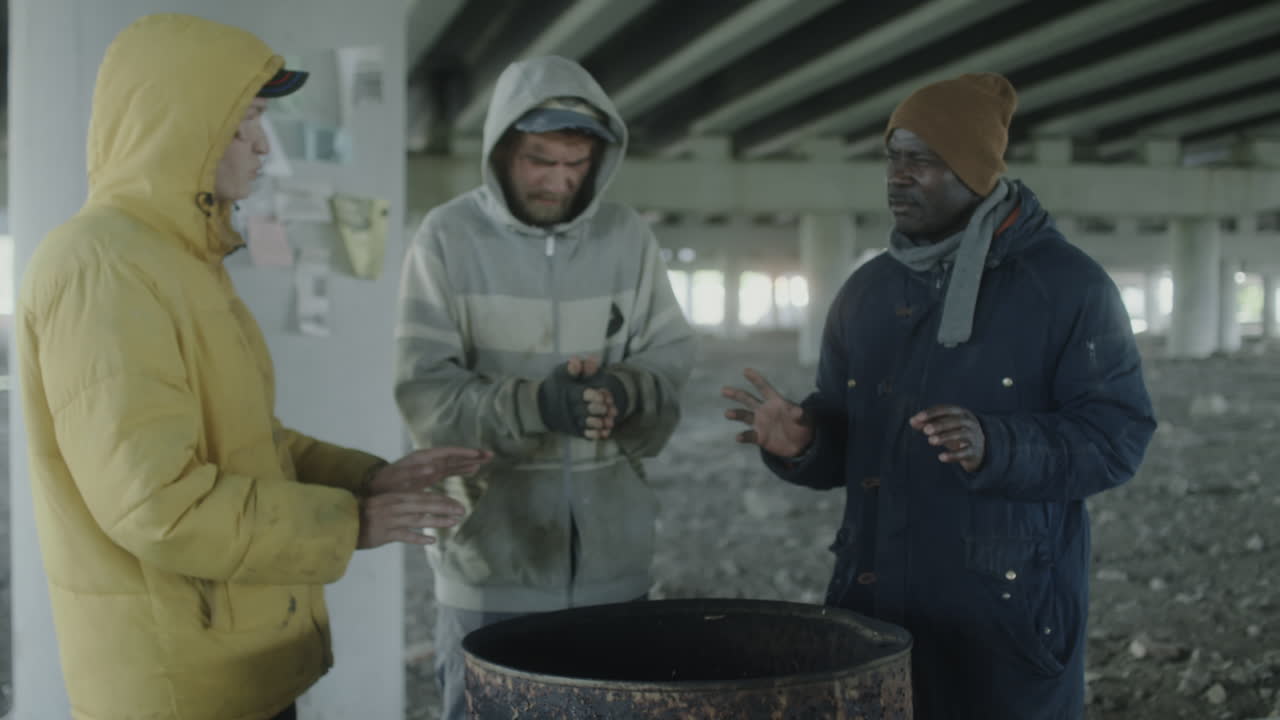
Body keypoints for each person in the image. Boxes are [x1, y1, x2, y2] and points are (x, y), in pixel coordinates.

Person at [17, 14, 490, 720]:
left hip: (226, 666)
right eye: (246, 122)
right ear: (182, 124)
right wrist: (346, 523)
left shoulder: (178, 260)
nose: (264, 146)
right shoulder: (102, 267)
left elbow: (246, 443)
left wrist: (368, 478)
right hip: (178, 686)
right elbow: (157, 505)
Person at [722, 73, 1155, 719]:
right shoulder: (868, 292)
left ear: (975, 170)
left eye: (922, 159)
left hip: (1007, 614)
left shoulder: (1068, 288)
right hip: (875, 605)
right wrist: (806, 441)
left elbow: (1117, 437)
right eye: (893, 156)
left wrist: (998, 445)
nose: (898, 176)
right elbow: (847, 438)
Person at [393, 55, 695, 719]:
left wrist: (625, 392)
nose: (559, 180)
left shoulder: (628, 237)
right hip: (492, 565)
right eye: (539, 160)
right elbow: (425, 394)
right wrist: (535, 405)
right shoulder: (447, 238)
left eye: (575, 162)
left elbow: (671, 357)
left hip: (615, 565)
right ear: (501, 150)